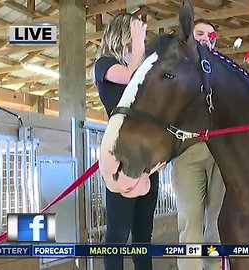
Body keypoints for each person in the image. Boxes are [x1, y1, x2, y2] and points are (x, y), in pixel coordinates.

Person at [93, 13, 158, 270]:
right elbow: (134, 77)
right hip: (121, 153)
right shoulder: (104, 64)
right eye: (132, 37)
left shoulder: (138, 65)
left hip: (146, 155)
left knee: (143, 233)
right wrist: (139, 42)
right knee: (118, 235)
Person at [171, 19, 227, 270]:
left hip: (221, 154)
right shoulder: (176, 70)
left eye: (209, 34)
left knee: (216, 221)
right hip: (188, 152)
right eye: (199, 33)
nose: (205, 38)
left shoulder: (224, 71)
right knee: (191, 220)